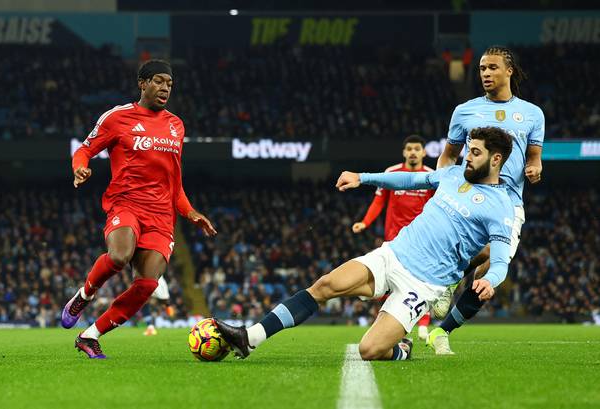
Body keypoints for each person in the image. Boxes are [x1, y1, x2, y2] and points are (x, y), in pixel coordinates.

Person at [215, 127, 514, 361]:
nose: (468, 157)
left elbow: (500, 260)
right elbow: (409, 182)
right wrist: (363, 177)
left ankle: (402, 350)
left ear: (495, 159)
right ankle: (250, 338)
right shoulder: (452, 174)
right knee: (326, 285)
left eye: (475, 152)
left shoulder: (500, 206)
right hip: (394, 255)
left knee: (369, 350)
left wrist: (490, 279)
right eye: (468, 150)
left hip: (424, 285)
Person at [61, 59, 217, 359]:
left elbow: (175, 182)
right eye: (159, 81)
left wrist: (190, 212)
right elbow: (84, 149)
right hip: (126, 202)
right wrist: (80, 168)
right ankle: (84, 295)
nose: (165, 88)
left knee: (147, 284)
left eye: (169, 84)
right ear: (142, 83)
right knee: (120, 256)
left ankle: (90, 336)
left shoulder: (176, 125)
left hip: (161, 215)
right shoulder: (118, 118)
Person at [426, 45, 544, 355]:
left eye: (492, 68)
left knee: (487, 274)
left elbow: (534, 157)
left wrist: (534, 168)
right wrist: (443, 187)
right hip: (472, 196)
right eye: (481, 69)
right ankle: (447, 283)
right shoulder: (465, 110)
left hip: (508, 201)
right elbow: (449, 156)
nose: (486, 74)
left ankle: (441, 332)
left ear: (509, 71)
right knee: (487, 255)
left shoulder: (532, 114)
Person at [352, 135, 434, 339]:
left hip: (421, 239)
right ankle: (389, 324)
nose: (413, 152)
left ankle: (423, 323)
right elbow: (379, 201)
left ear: (424, 152)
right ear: (404, 152)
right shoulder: (391, 173)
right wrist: (365, 222)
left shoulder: (432, 176)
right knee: (392, 282)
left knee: (421, 281)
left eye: (417, 149)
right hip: (395, 240)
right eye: (409, 149)